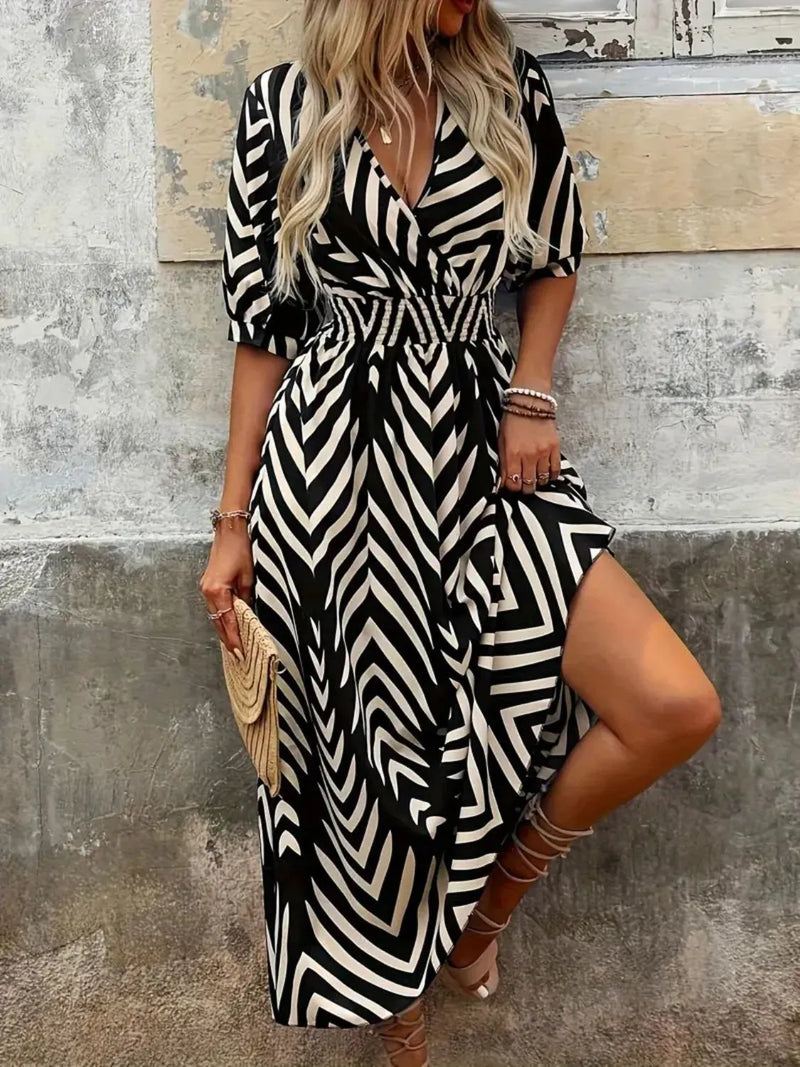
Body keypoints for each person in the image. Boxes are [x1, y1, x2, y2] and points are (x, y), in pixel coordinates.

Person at [200, 1, 722, 1063]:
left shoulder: (505, 89)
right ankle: (393, 993)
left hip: (484, 443)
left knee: (671, 702)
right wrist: (231, 520)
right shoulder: (281, 109)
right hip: (332, 467)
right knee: (367, 752)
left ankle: (480, 916)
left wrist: (532, 391)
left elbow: (554, 250)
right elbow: (261, 331)